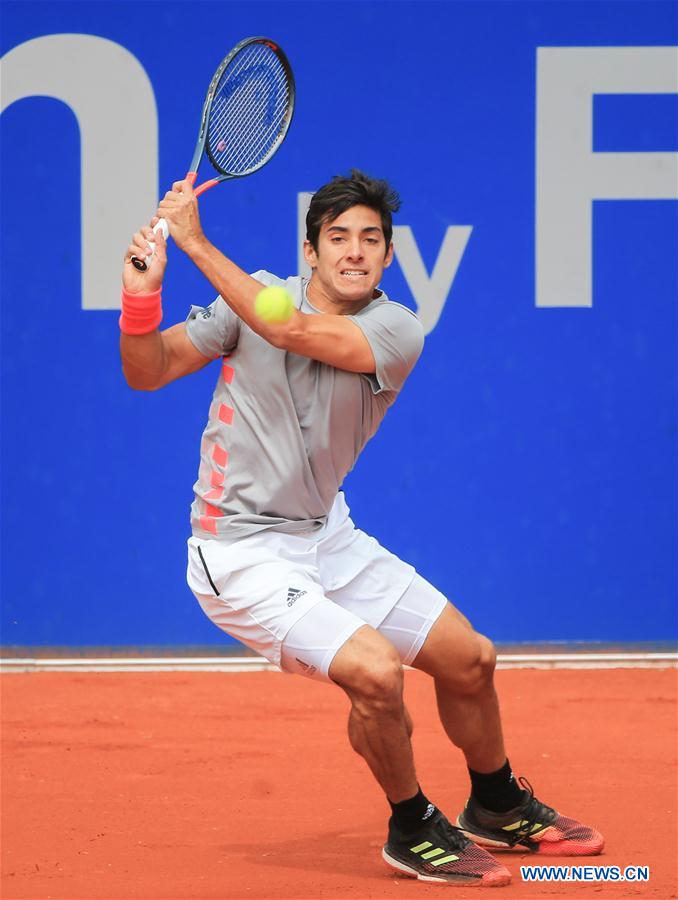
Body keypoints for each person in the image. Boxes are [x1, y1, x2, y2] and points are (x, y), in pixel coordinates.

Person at [120, 170, 604, 887]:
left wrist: (194, 241)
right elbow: (149, 370)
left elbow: (288, 328)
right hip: (239, 551)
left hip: (326, 535)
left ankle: (497, 803)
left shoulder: (396, 327)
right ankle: (411, 827)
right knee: (376, 674)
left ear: (387, 255)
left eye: (370, 239)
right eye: (338, 237)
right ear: (309, 252)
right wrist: (140, 294)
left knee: (469, 658)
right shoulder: (245, 298)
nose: (354, 251)